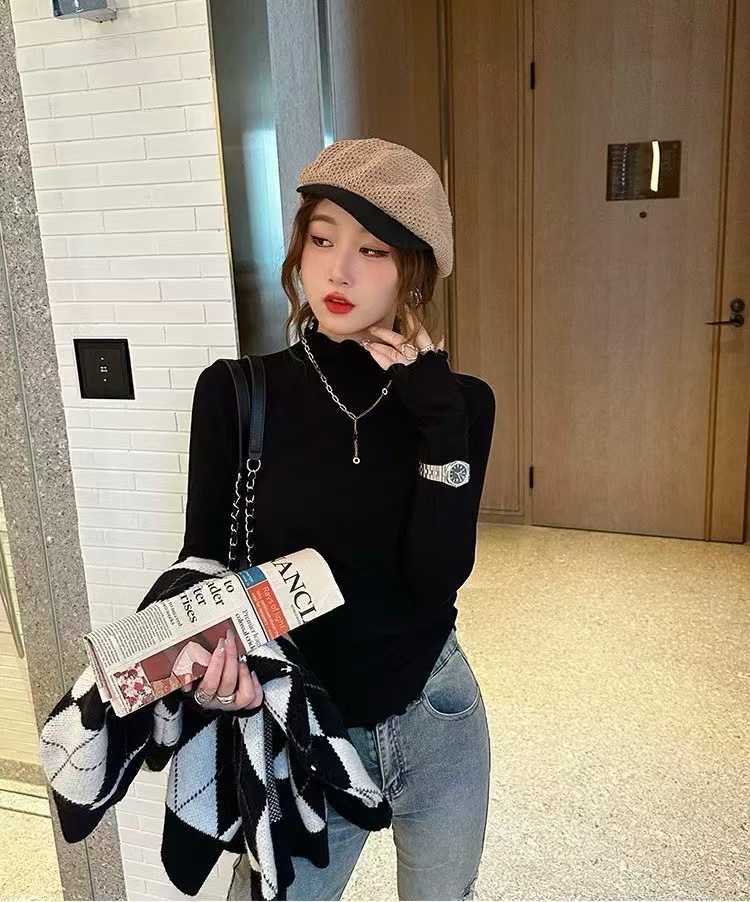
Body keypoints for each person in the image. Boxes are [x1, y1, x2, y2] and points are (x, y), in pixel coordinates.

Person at [176, 138, 496, 901]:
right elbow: (201, 573)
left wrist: (440, 428)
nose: (338, 271)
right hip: (303, 733)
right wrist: (216, 671)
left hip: (435, 715)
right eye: (322, 240)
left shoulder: (460, 405)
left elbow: (437, 579)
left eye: (372, 250)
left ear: (415, 268)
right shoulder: (236, 395)